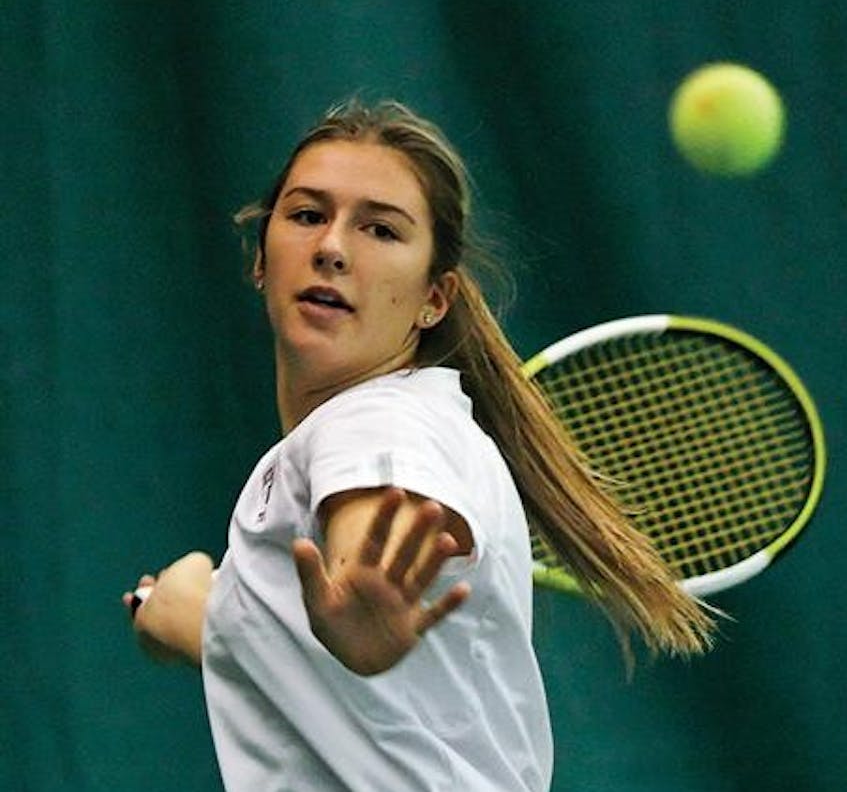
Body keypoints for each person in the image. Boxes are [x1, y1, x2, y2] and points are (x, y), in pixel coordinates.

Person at [124, 99, 715, 791]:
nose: (332, 247)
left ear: (436, 298)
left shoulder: (376, 422)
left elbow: (373, 516)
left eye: (380, 229)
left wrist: (360, 587)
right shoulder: (408, 421)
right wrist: (191, 617)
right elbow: (307, 677)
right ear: (261, 258)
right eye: (308, 215)